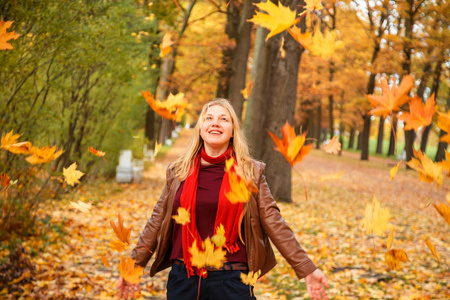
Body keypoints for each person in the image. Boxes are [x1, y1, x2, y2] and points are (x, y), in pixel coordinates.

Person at [118, 98, 328, 300]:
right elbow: (157, 220)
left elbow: (274, 222)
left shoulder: (250, 173)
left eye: (224, 119)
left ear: (232, 131)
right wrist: (135, 263)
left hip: (232, 282)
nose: (215, 123)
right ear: (200, 129)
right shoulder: (178, 172)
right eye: (208, 118)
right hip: (184, 280)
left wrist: (306, 268)